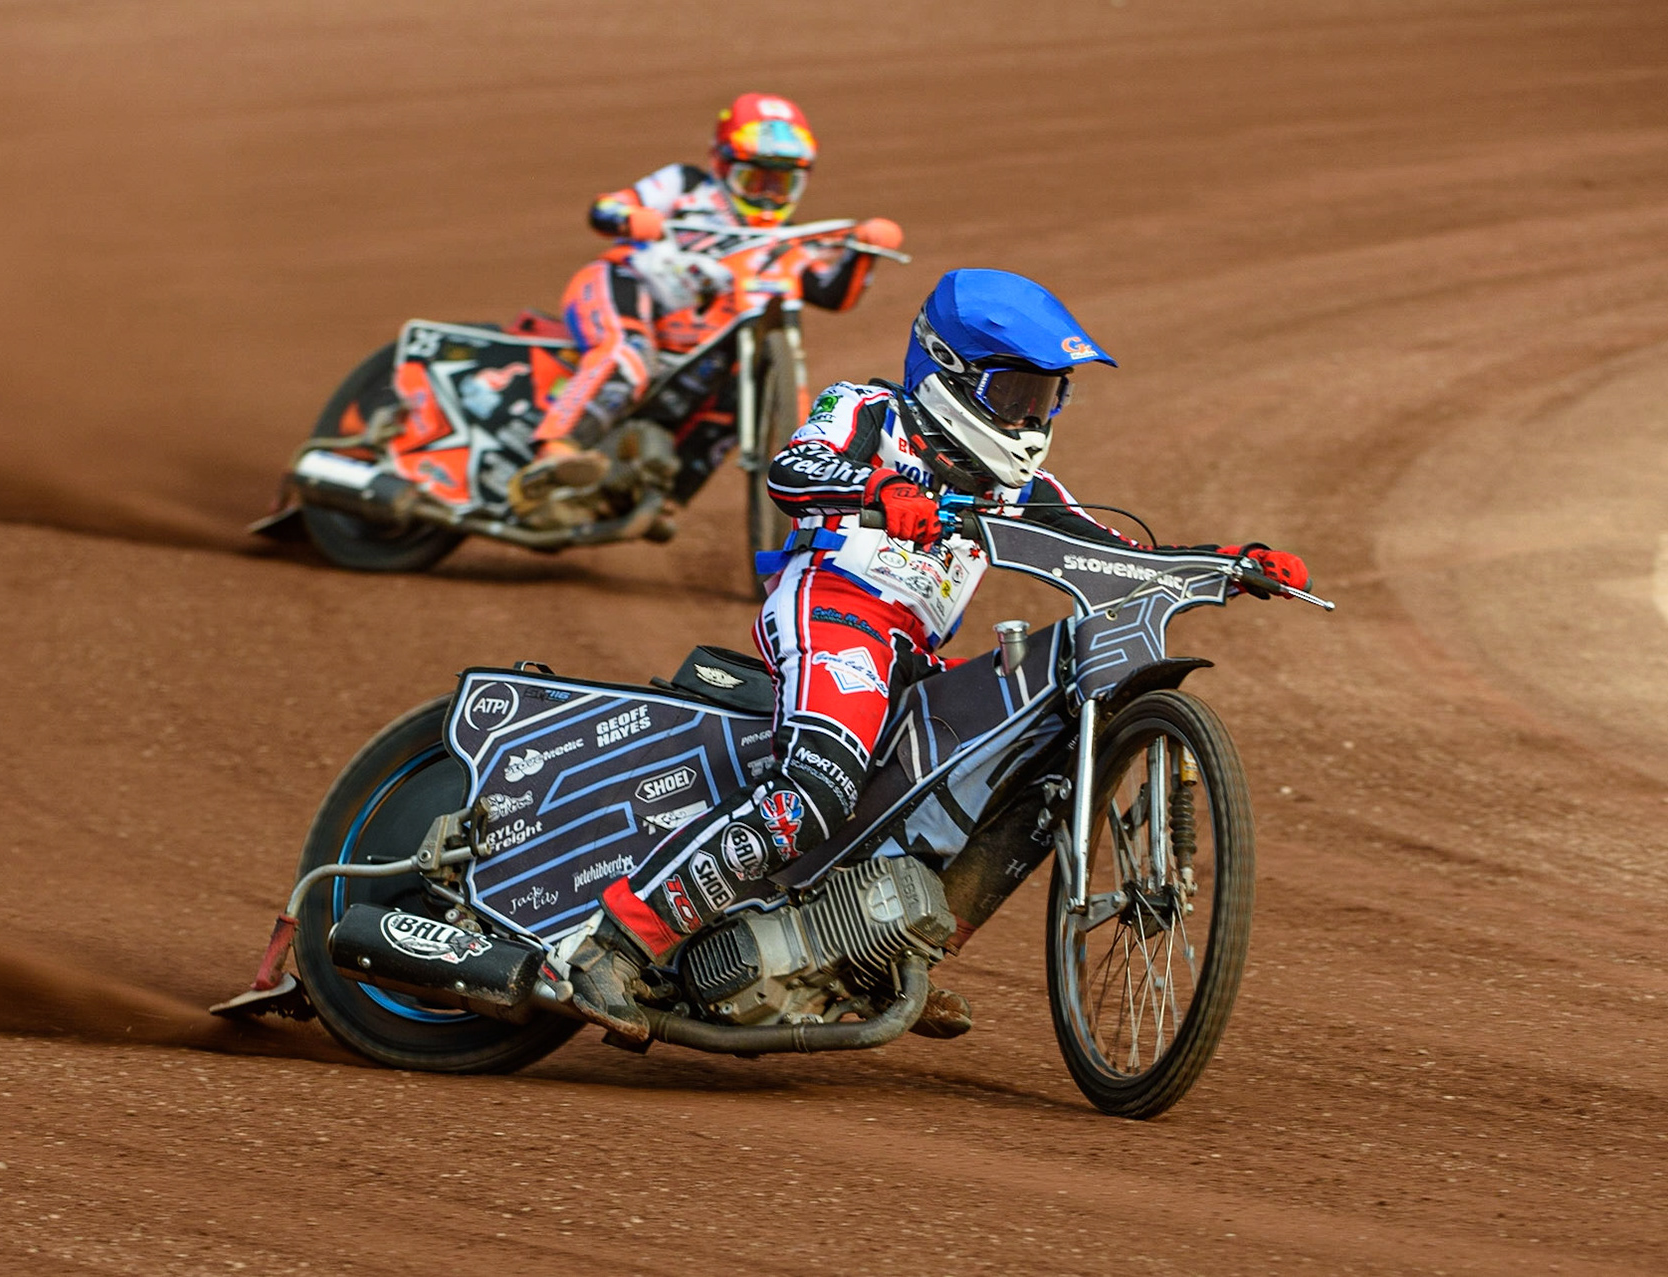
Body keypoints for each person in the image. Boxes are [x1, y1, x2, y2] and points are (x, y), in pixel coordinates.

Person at [555, 268, 1312, 1044]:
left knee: (1027, 770)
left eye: (1046, 397)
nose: (1030, 418)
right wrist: (879, 490)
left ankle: (884, 952)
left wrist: (1231, 562)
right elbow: (794, 469)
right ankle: (615, 946)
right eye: (1012, 393)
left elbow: (1121, 556)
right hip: (835, 609)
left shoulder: (1021, 487)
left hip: (911, 654)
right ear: (947, 371)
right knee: (815, 787)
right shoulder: (869, 411)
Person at [508, 92, 905, 525]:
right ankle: (555, 451)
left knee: (738, 393)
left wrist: (862, 252)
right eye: (754, 180)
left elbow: (829, 294)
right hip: (623, 285)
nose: (767, 196)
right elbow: (604, 208)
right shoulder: (685, 185)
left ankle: (661, 498)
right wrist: (630, 218)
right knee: (628, 354)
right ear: (722, 164)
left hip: (692, 341)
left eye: (781, 184)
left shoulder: (783, 243)